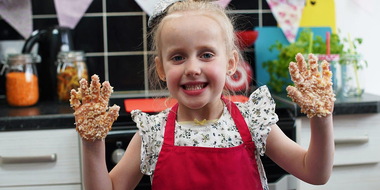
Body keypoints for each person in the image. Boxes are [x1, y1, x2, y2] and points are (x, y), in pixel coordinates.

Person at [70, 0, 335, 190]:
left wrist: (322, 118)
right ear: (161, 68)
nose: (193, 68)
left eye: (206, 54)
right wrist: (92, 145)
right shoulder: (152, 133)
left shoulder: (253, 121)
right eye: (178, 57)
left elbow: (315, 172)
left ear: (231, 63)